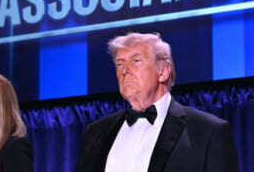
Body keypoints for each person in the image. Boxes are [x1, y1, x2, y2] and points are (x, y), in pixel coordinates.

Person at [76, 32, 240, 172]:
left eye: (136, 61)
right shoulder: (96, 133)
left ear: (163, 72)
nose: (124, 70)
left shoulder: (207, 132)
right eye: (120, 63)